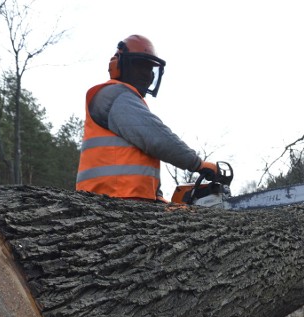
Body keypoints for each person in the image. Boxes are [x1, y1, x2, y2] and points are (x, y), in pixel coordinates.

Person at [76, 34, 220, 201]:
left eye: (150, 68)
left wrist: (156, 196)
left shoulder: (128, 100)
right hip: (109, 197)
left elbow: (139, 157)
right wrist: (198, 164)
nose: (147, 74)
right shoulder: (115, 95)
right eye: (141, 66)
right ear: (119, 66)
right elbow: (156, 138)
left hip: (125, 197)